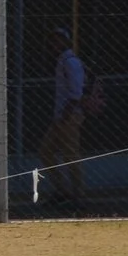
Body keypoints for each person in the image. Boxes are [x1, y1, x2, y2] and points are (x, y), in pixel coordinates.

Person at [38, 27, 88, 210]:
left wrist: (67, 113)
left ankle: (78, 194)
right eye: (52, 41)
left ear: (66, 41)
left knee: (71, 155)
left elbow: (76, 91)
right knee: (46, 152)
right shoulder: (62, 61)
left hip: (69, 115)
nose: (54, 44)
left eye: (58, 40)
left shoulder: (71, 62)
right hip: (61, 115)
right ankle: (62, 190)